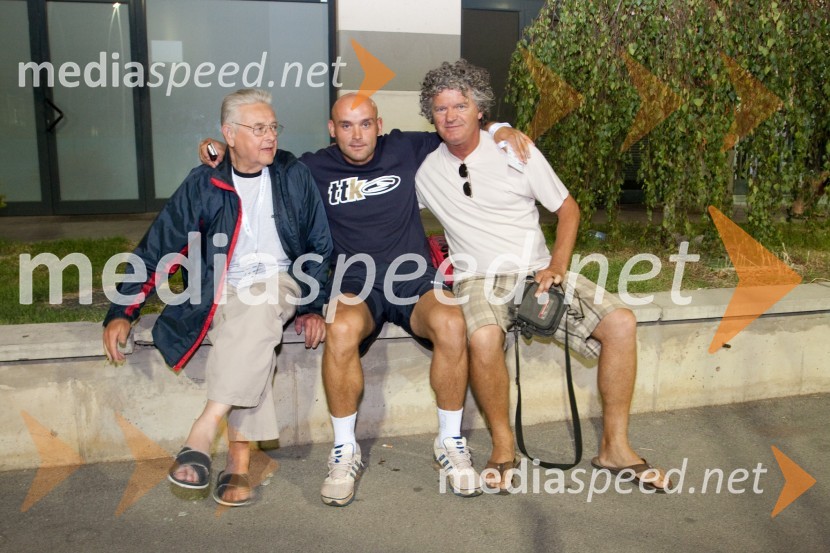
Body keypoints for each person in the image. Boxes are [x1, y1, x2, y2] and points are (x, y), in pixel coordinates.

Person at [199, 96, 532, 505]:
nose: (356, 135)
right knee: (339, 330)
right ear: (331, 128)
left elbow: (458, 128)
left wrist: (499, 129)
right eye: (346, 125)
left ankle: (450, 443)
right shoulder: (311, 167)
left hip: (413, 280)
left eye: (364, 124)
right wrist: (217, 147)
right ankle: (344, 452)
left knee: (452, 322)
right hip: (355, 285)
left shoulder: (404, 148)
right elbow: (257, 154)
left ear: (379, 124)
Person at [414, 60, 672, 492]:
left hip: (538, 269)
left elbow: (568, 211)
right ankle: (502, 447)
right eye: (441, 109)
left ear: (481, 109)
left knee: (621, 323)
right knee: (482, 337)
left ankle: (616, 447)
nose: (451, 115)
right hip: (478, 277)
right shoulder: (425, 173)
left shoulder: (517, 150)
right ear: (431, 116)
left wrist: (556, 266)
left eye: (461, 105)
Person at [103, 88, 332, 507]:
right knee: (250, 331)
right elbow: (160, 246)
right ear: (229, 133)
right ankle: (235, 464)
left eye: (273, 127)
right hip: (219, 289)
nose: (270, 136)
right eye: (258, 128)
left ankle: (207, 429)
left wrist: (314, 305)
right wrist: (123, 309)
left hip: (280, 280)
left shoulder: (291, 173)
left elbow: (318, 244)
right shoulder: (205, 182)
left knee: (260, 306)